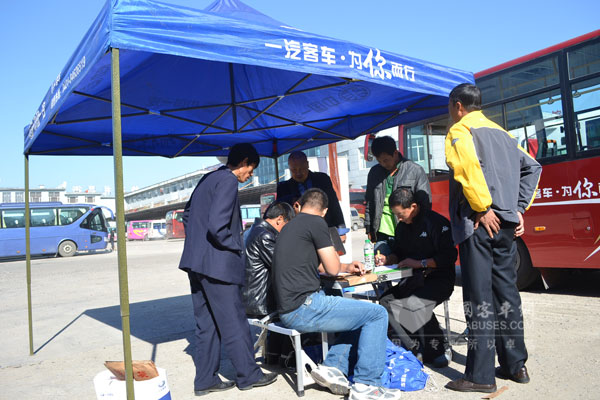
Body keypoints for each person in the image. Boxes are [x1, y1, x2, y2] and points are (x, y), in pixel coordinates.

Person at [443, 84, 541, 393]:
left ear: (458, 105)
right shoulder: (504, 135)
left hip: (478, 224)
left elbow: (467, 168)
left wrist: (482, 208)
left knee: (479, 298)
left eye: (450, 107)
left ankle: (480, 375)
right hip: (507, 225)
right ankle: (516, 365)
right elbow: (533, 167)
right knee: (507, 293)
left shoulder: (460, 130)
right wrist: (518, 208)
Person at [273, 188, 400, 400]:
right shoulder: (316, 222)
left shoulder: (290, 226)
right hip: (304, 307)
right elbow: (332, 269)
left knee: (361, 315)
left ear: (300, 205)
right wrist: (336, 257)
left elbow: (319, 266)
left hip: (289, 308)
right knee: (377, 314)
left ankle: (333, 367)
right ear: (324, 211)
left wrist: (348, 267)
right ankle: (367, 385)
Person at [178, 143, 277, 396]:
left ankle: (205, 380)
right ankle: (249, 375)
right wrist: (235, 246)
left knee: (207, 325)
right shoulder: (228, 180)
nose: (250, 175)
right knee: (234, 322)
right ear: (243, 162)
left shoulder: (208, 178)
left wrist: (198, 244)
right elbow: (217, 226)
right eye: (251, 169)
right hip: (218, 265)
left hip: (196, 263)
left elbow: (187, 215)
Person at [375, 188, 457, 368]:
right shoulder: (402, 227)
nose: (399, 218)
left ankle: (440, 347)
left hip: (439, 278)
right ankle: (414, 347)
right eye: (396, 215)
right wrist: (388, 259)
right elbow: (399, 252)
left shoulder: (436, 223)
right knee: (386, 301)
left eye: (400, 214)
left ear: (413, 207)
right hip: (413, 279)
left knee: (414, 303)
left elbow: (449, 257)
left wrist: (420, 263)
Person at [241, 202, 295, 365]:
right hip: (260, 303)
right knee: (299, 309)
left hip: (250, 299)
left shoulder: (251, 231)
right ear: (280, 219)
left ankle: (274, 356)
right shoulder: (265, 236)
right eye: (287, 225)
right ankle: (288, 359)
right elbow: (283, 267)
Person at [364, 136, 431, 256]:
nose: (383, 164)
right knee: (381, 264)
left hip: (408, 231)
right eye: (379, 161)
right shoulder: (374, 172)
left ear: (395, 153)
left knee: (407, 264)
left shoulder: (415, 170)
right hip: (382, 232)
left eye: (386, 160)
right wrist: (369, 228)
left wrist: (420, 229)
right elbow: (370, 201)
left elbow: (425, 204)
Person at [277, 151, 346, 229]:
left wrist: (341, 226)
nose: (298, 173)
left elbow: (334, 204)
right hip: (299, 229)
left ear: (307, 164)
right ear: (289, 167)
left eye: (302, 169)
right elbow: (281, 212)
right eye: (294, 170)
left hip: (325, 227)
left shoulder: (323, 179)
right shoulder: (283, 188)